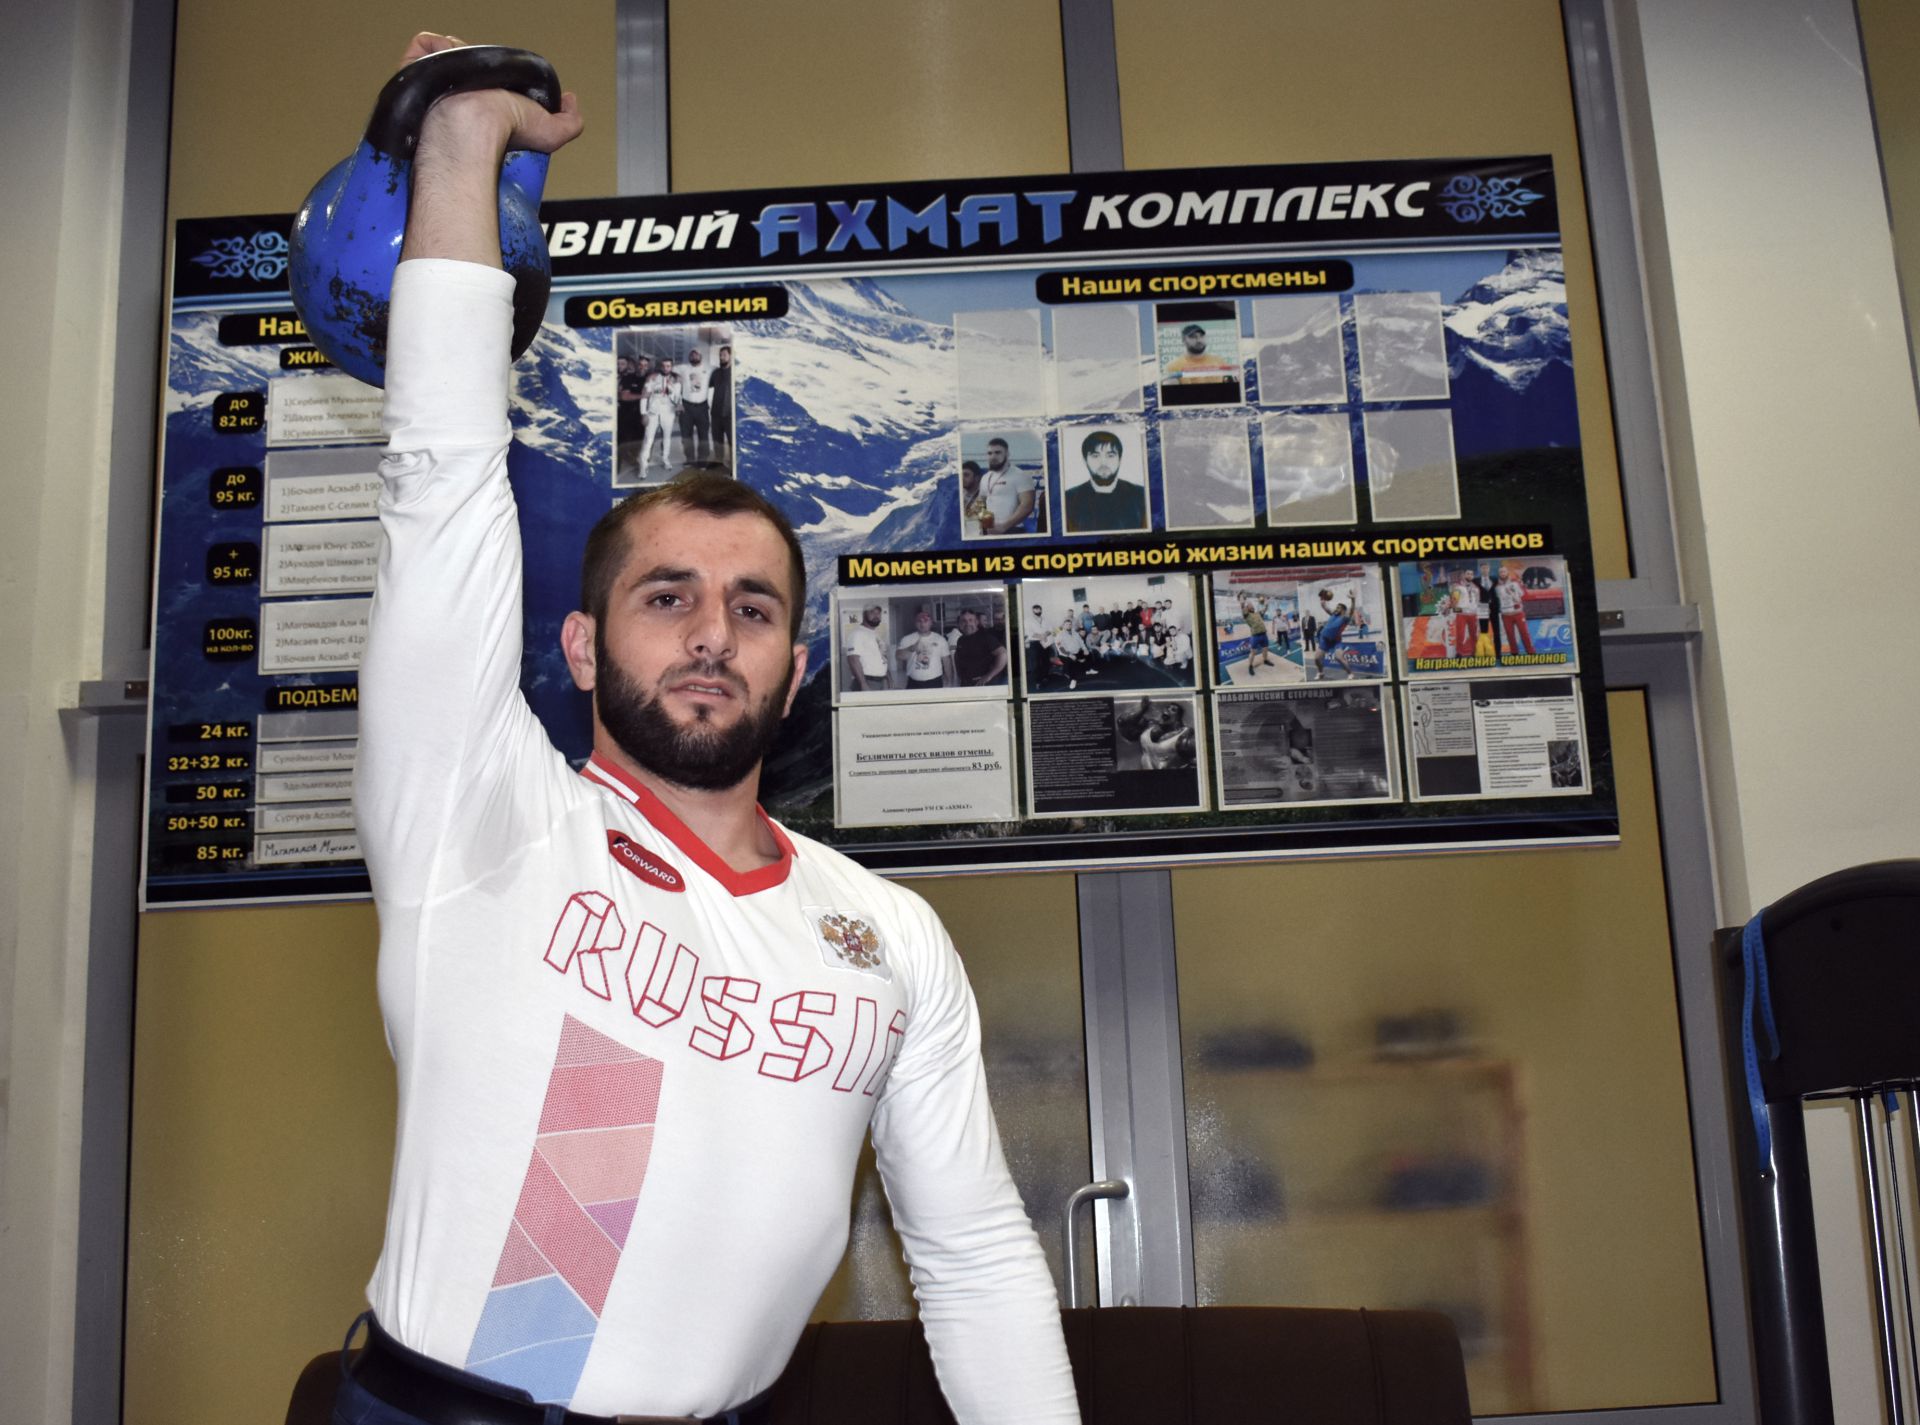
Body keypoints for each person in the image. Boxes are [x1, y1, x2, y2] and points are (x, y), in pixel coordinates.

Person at [345, 37, 1079, 1425]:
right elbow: (439, 478)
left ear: (793, 672)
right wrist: (459, 146)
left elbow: (976, 1259)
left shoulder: (890, 937)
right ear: (581, 646)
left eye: (752, 609)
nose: (709, 635)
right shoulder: (483, 818)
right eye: (665, 596)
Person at [1063, 430, 1147, 533]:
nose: (1103, 463)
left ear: (1120, 459)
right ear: (1085, 460)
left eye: (1110, 455)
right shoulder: (1068, 499)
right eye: (1095, 455)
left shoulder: (1141, 496)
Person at [976, 437, 1036, 535]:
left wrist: (1004, 526)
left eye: (998, 452)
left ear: (1007, 454)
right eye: (990, 453)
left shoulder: (1020, 475)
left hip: (1013, 530)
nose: (993, 456)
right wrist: (985, 524)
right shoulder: (985, 477)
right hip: (990, 531)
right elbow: (981, 503)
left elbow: (1027, 505)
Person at [1310, 588, 1362, 681]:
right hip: (1324, 639)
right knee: (1317, 658)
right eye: (1336, 607)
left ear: (1343, 610)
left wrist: (1353, 599)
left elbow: (1351, 610)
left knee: (1339, 657)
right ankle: (1321, 673)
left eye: (1338, 607)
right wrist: (1322, 599)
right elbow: (1324, 607)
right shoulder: (1333, 614)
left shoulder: (1345, 618)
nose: (1336, 609)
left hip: (1335, 641)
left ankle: (1350, 674)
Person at [896, 607, 953, 689]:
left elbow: (946, 661)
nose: (922, 624)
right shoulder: (907, 639)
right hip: (913, 682)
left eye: (925, 621)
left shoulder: (940, 639)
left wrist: (949, 680)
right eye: (919, 621)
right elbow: (898, 656)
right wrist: (911, 648)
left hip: (935, 682)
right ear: (915, 623)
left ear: (931, 622)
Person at [640, 355, 680, 472]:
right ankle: (643, 465)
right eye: (663, 366)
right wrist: (643, 413)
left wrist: (671, 389)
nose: (665, 368)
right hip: (653, 413)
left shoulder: (676, 380)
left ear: (671, 367)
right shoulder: (652, 378)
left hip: (668, 413)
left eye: (668, 366)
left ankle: (665, 459)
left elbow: (677, 399)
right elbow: (644, 396)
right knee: (648, 439)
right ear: (660, 367)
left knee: (667, 438)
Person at [952, 607, 1009, 687]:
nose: (967, 623)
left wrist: (989, 676)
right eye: (963, 621)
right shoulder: (961, 639)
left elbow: (1003, 654)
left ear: (976, 622)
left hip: (984, 685)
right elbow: (958, 656)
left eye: (970, 620)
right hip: (967, 683)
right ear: (959, 623)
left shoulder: (986, 637)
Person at [679, 345, 713, 465]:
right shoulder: (683, 369)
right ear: (689, 357)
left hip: (702, 407)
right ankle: (690, 459)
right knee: (686, 435)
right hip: (686, 407)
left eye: (696, 354)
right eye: (692, 354)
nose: (694, 356)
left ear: (701, 356)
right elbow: (669, 373)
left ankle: (703, 460)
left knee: (703, 435)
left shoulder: (709, 369)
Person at [844, 603, 889, 692]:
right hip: (867, 682)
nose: (876, 616)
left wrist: (888, 677)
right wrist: (863, 684)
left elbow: (881, 657)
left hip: (879, 681)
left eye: (878, 613)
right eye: (872, 612)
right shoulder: (857, 633)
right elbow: (853, 659)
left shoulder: (875, 634)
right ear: (864, 615)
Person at [1496, 567, 1536, 656]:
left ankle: (1531, 652)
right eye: (1501, 572)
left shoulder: (1515, 583)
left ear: (1507, 572)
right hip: (1505, 614)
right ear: (1499, 574)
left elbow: (1524, 594)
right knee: (1510, 635)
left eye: (1504, 571)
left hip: (1518, 613)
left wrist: (1515, 595)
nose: (1502, 573)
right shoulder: (1497, 586)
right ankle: (1514, 653)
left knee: (1524, 633)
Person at [709, 344, 734, 467]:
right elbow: (706, 386)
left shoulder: (736, 372)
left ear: (730, 356)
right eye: (720, 355)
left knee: (732, 441)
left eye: (724, 355)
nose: (721, 357)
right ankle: (718, 462)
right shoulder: (716, 373)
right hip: (716, 413)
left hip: (730, 414)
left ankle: (734, 466)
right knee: (717, 440)